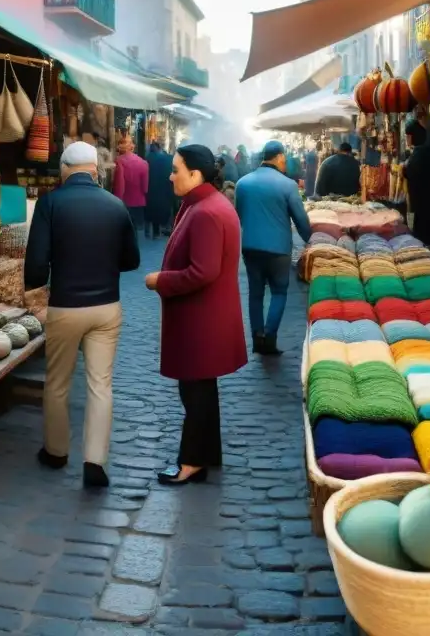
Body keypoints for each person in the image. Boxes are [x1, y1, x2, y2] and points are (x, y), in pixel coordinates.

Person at [25, 141, 141, 489]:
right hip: (107, 307)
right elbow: (132, 260)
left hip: (65, 306)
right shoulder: (116, 205)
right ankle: (95, 461)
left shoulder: (50, 204)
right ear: (96, 169)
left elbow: (35, 266)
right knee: (100, 384)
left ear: (64, 168)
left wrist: (37, 290)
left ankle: (57, 451)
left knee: (58, 382)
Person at [145, 144, 247, 485]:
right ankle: (206, 455)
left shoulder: (205, 211)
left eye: (176, 169)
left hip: (201, 319)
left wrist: (161, 281)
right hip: (205, 316)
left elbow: (202, 271)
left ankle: (191, 462)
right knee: (201, 390)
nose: (170, 175)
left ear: (195, 174)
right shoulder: (207, 204)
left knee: (195, 392)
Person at [235, 140, 312, 354]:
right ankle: (270, 336)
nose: (285, 162)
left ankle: (257, 337)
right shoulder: (288, 185)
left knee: (255, 293)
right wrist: (310, 239)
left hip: (250, 246)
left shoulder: (243, 183)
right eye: (284, 159)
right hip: (278, 249)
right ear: (279, 157)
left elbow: (239, 215)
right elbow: (300, 220)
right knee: (279, 292)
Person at [402, 117, 430, 246]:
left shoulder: (420, 154)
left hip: (423, 202)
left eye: (407, 136)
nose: (407, 139)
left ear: (411, 136)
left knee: (421, 236)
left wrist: (404, 170)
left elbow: (413, 173)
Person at [112, 139, 149, 233]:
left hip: (124, 201)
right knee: (135, 229)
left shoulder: (118, 161)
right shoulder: (144, 163)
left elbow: (120, 185)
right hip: (139, 201)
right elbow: (145, 188)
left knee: (124, 230)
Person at [146, 142, 175, 239]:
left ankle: (156, 232)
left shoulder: (149, 160)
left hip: (155, 190)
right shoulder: (169, 159)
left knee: (155, 211)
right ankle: (165, 228)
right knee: (166, 210)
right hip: (165, 190)